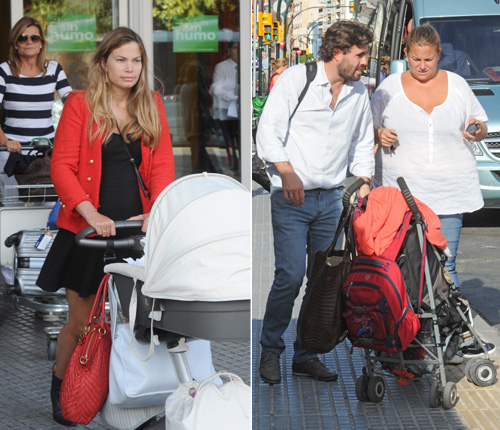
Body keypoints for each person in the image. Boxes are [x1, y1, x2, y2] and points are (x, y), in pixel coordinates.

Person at [35, 27, 175, 426]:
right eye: (121, 59)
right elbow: (62, 166)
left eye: (136, 60)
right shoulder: (80, 104)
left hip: (137, 232)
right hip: (87, 232)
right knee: (81, 324)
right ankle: (62, 385)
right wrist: (89, 212)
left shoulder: (151, 103)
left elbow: (163, 163)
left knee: (134, 322)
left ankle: (127, 399)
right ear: (103, 63)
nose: (130, 68)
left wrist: (156, 211)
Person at [256, 20, 374, 385]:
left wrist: (365, 181)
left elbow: (362, 142)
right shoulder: (296, 79)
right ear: (337, 52)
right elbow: (267, 131)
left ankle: (305, 355)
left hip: (332, 202)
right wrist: (287, 172)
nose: (364, 62)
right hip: (292, 198)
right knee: (289, 276)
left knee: (322, 281)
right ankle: (271, 350)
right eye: (360, 54)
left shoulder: (358, 94)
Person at [371, 23, 495, 359]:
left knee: (446, 262)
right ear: (406, 55)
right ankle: (408, 333)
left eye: (428, 59)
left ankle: (449, 334)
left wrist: (477, 129)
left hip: (449, 190)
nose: (422, 66)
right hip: (403, 195)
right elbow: (367, 132)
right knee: (404, 263)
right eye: (414, 60)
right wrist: (379, 135)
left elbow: (480, 123)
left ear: (439, 54)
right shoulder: (388, 88)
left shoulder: (457, 85)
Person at [0, 17, 72, 285]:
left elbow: (72, 103)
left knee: (47, 211)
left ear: (42, 43)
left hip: (45, 152)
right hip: (13, 153)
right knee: (13, 209)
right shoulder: (5, 71)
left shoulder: (53, 69)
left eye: (35, 37)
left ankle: (40, 270)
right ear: (16, 44)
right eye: (23, 38)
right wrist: (6, 140)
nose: (29, 42)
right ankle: (11, 271)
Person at [210, 41, 239, 171]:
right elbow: (217, 89)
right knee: (228, 142)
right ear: (228, 50)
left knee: (240, 141)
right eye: (235, 48)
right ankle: (231, 165)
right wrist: (234, 98)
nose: (238, 51)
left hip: (240, 112)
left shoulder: (245, 66)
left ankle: (238, 165)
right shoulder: (222, 67)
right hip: (225, 111)